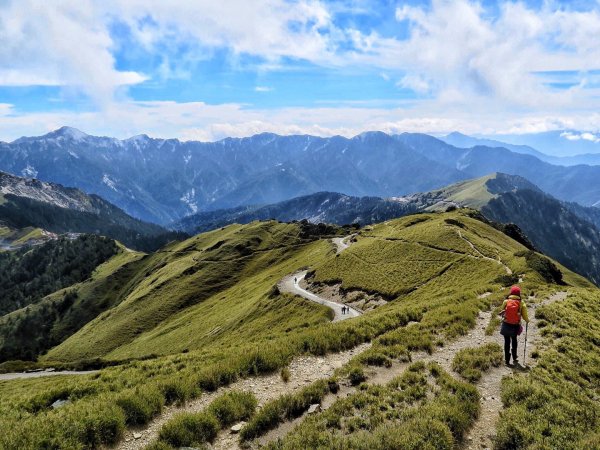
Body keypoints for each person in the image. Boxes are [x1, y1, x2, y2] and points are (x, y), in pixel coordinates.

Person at [500, 285, 529, 366]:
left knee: (506, 341)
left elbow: (502, 311)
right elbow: (524, 314)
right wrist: (527, 320)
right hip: (515, 325)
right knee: (514, 340)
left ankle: (507, 359)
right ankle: (514, 356)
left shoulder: (506, 301)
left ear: (511, 293)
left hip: (506, 324)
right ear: (519, 293)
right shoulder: (521, 302)